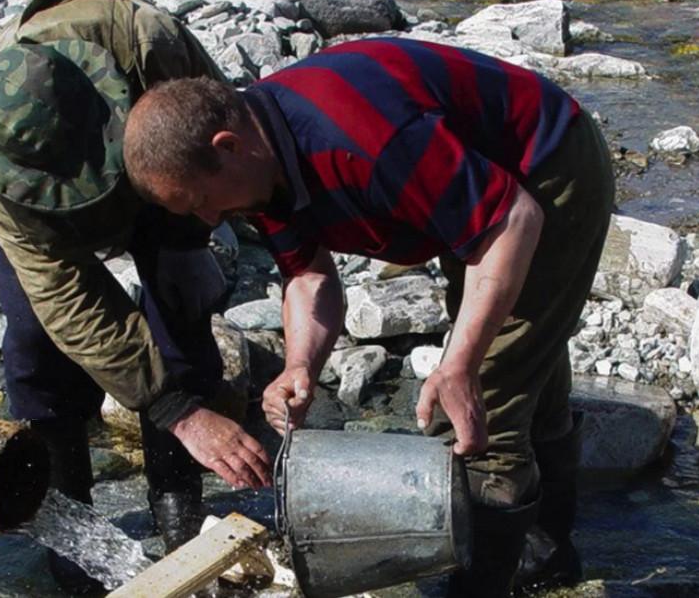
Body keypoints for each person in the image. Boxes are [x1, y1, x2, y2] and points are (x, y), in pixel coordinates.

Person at [121, 37, 615, 597]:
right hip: (475, 194)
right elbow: (309, 276)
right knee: (521, 363)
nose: (210, 220)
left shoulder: (363, 137)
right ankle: (551, 552)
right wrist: (300, 365)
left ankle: (492, 580)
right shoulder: (262, 171)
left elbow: (511, 221)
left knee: (477, 418)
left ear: (228, 146)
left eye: (199, 201)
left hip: (545, 172)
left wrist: (459, 365)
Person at [0, 0, 271, 593]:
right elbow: (69, 301)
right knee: (35, 357)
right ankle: (74, 542)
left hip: (160, 173)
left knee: (183, 312)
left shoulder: (146, 45)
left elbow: (236, 146)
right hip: (44, 224)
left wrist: (294, 241)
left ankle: (178, 510)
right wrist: (171, 409)